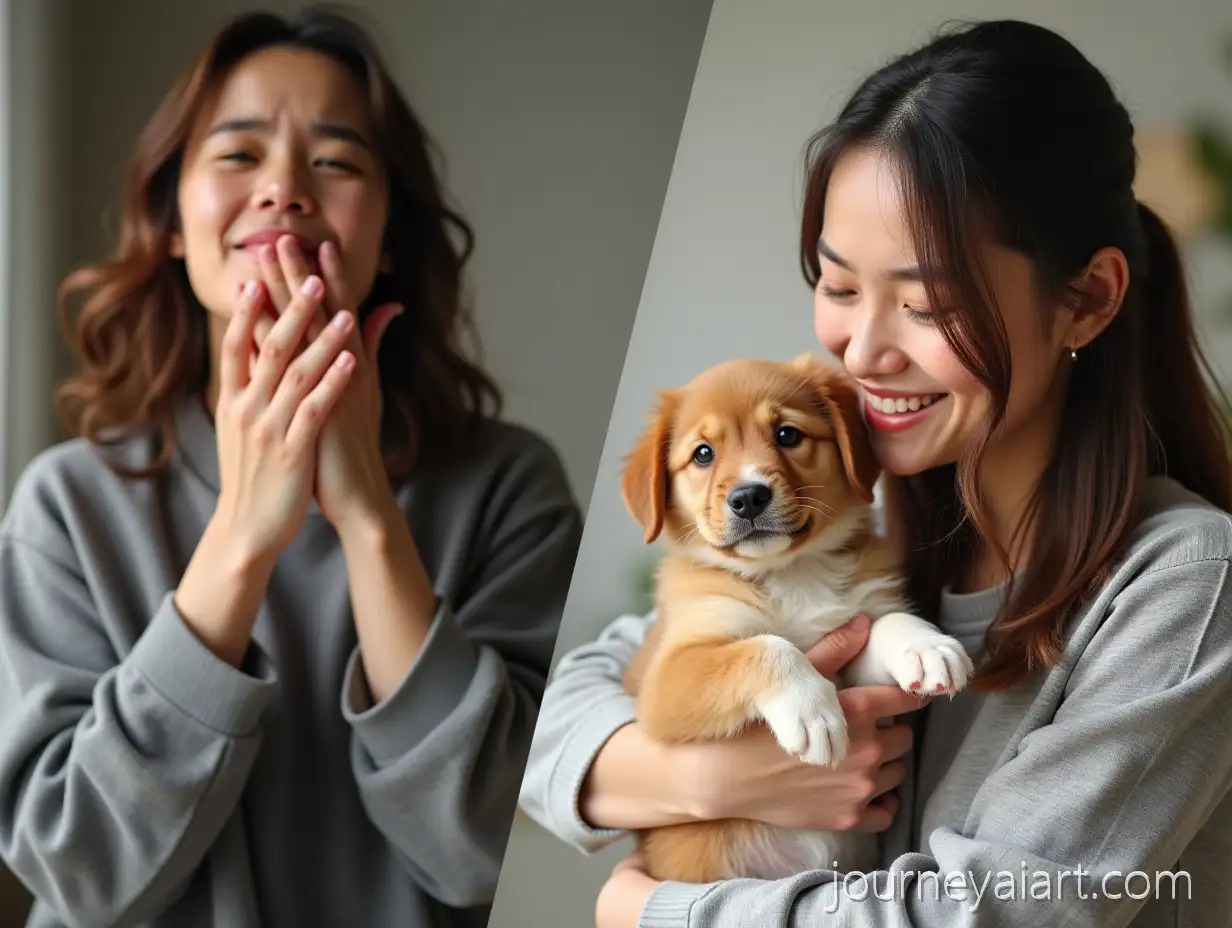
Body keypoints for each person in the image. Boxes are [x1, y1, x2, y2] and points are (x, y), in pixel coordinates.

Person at [517, 18, 1232, 928]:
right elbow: (561, 711)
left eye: (925, 304)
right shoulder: (883, 534)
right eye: (840, 287)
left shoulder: (1184, 585)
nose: (862, 351)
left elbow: (990, 915)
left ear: (1086, 301)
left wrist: (652, 912)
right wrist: (708, 780)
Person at [0, 7, 583, 928]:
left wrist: (368, 518)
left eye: (337, 161)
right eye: (238, 154)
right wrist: (243, 533)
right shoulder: (66, 506)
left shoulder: (508, 487)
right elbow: (80, 873)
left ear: (389, 236)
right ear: (174, 222)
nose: (282, 189)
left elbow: (486, 852)